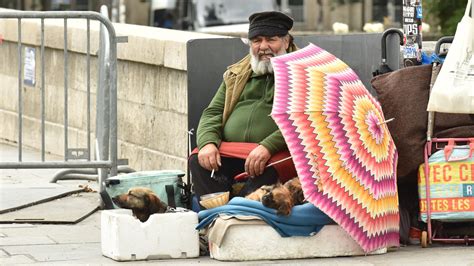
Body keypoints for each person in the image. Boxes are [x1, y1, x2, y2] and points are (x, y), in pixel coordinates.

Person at [189, 11, 297, 203]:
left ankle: (239, 209)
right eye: (256, 40)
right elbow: (212, 113)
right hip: (232, 151)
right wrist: (207, 143)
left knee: (272, 167)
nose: (263, 47)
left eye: (271, 39)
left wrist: (267, 147)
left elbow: (301, 120)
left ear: (286, 42)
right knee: (198, 160)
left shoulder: (302, 74)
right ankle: (216, 216)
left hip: (273, 155)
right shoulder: (237, 74)